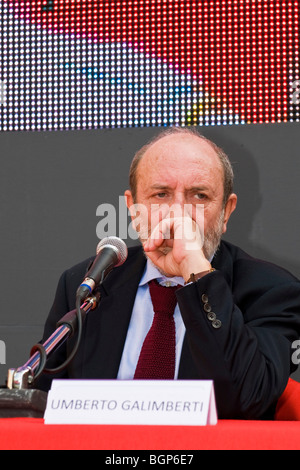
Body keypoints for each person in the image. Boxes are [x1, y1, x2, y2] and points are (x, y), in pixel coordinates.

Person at [36, 127, 300, 419]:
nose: (178, 213)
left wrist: (195, 270)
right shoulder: (87, 283)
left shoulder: (272, 291)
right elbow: (41, 403)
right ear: (133, 208)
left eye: (199, 196)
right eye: (160, 195)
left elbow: (247, 399)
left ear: (226, 211)